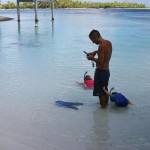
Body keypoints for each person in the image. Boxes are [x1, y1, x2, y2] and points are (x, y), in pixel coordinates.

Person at [86, 29, 112, 108]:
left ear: (95, 37)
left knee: (100, 93)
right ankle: (105, 107)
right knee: (105, 90)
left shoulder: (101, 46)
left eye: (93, 40)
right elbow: (103, 51)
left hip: (100, 72)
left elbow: (100, 62)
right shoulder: (108, 43)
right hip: (106, 71)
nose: (93, 42)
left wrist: (91, 58)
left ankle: (103, 109)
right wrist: (95, 52)